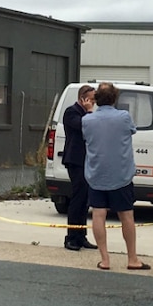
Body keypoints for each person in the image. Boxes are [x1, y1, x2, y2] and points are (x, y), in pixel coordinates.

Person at [81, 82, 150, 271]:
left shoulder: (87, 120)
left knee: (98, 214)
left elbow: (86, 136)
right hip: (121, 174)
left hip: (96, 174)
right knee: (126, 215)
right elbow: (132, 131)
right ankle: (132, 259)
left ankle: (105, 259)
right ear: (114, 98)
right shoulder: (124, 117)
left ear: (95, 100)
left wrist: (89, 111)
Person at [61, 84, 97, 251]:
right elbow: (85, 127)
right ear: (84, 98)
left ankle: (81, 235)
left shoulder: (86, 114)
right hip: (76, 160)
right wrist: (89, 112)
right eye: (91, 99)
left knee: (85, 199)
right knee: (77, 198)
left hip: (88, 161)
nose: (94, 102)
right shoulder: (72, 112)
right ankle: (71, 237)